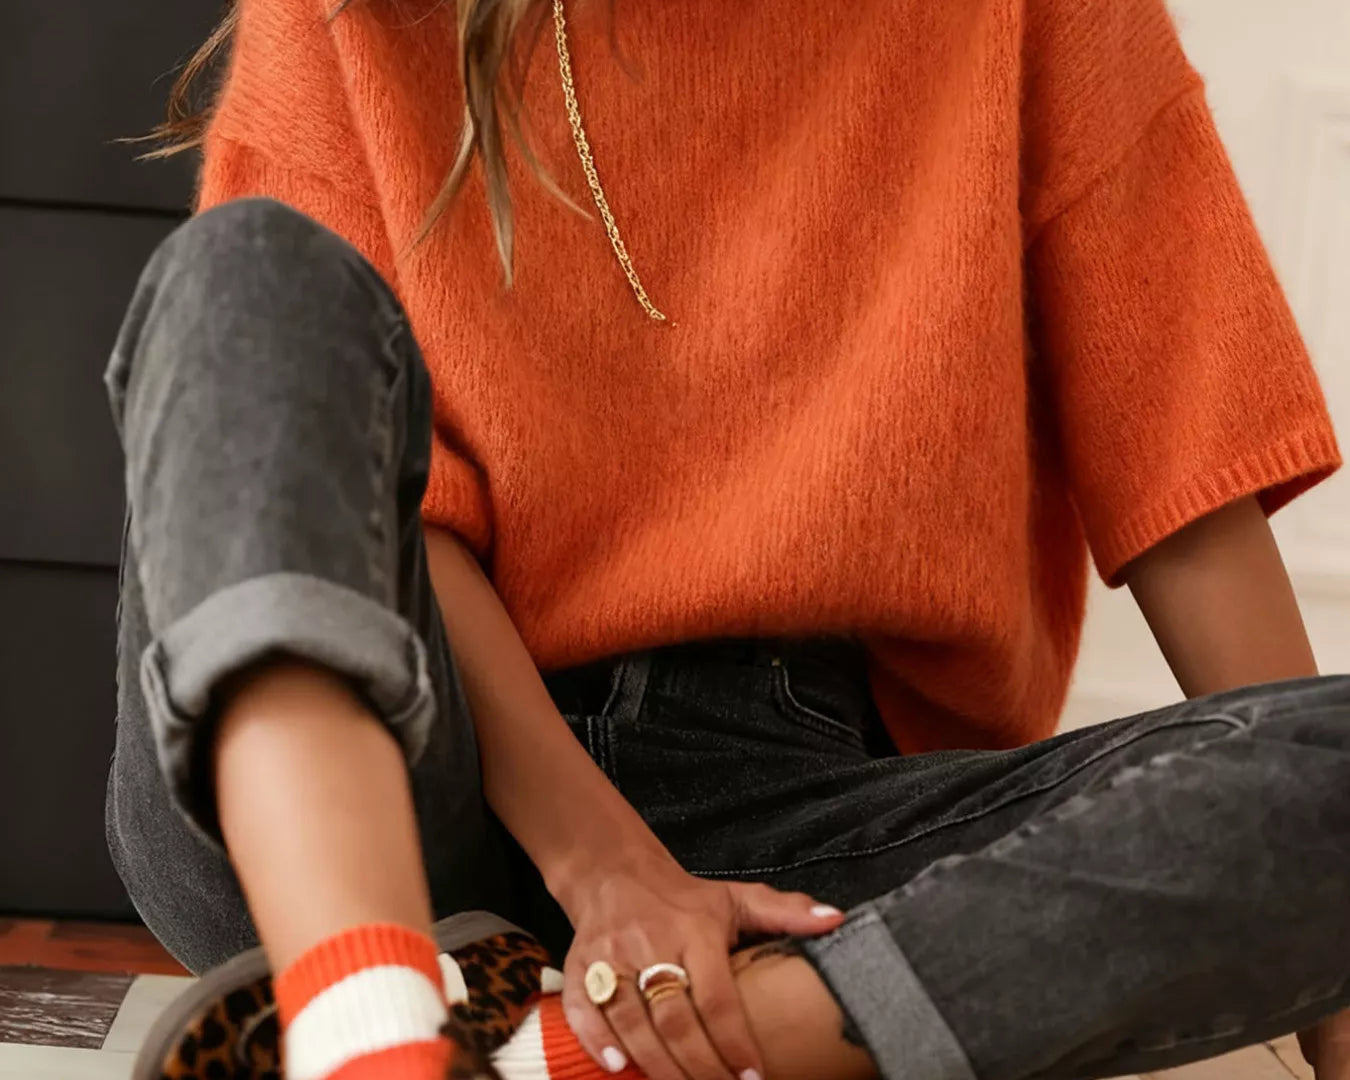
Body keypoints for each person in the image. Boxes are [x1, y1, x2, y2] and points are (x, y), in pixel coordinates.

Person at [106, 0, 1350, 1077]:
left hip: (804, 837)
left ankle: (533, 1057)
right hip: (373, 770)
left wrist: (1329, 928)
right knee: (244, 271)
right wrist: (608, 867)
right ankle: (370, 1015)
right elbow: (356, 501)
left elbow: (1189, 460)